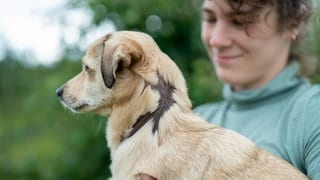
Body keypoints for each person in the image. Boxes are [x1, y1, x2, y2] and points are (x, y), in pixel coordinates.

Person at [195, 0, 320, 179]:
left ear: (294, 22)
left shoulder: (312, 115)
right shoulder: (195, 120)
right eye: (210, 19)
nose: (217, 40)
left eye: (240, 20)